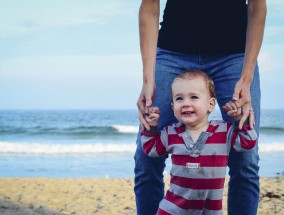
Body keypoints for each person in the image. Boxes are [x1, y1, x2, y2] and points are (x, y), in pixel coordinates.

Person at [134, 0, 266, 214]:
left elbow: (257, 7)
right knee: (146, 157)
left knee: (246, 160)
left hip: (234, 56)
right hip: (171, 53)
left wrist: (247, 76)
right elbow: (150, 6)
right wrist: (148, 79)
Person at [140, 70, 258, 214]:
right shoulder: (170, 133)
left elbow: (248, 142)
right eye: (179, 99)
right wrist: (152, 128)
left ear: (211, 104)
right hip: (172, 210)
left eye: (194, 97)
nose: (185, 103)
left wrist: (239, 120)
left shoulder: (224, 131)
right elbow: (150, 149)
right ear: (172, 107)